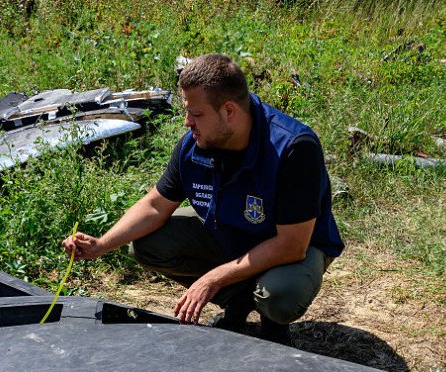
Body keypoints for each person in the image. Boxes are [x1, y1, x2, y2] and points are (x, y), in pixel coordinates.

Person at [62, 53, 343, 344]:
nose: (187, 123)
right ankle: (240, 302)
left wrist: (211, 280)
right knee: (148, 245)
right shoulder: (197, 144)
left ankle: (272, 322)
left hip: (296, 247)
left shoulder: (293, 148)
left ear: (229, 111)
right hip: (234, 233)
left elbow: (291, 246)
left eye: (196, 115)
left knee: (280, 296)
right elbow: (156, 204)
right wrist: (101, 245)